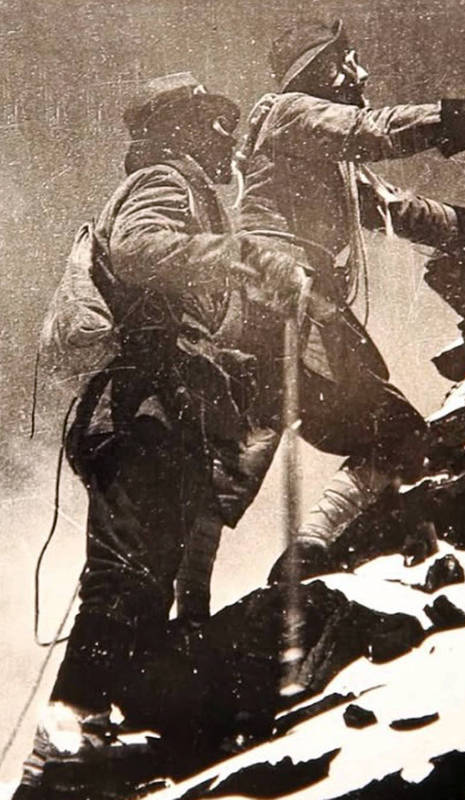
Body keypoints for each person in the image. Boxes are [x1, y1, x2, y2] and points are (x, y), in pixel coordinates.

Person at [16, 73, 291, 794]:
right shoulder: (165, 181)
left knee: (148, 577)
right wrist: (243, 257)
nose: (224, 135)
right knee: (128, 575)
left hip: (168, 414)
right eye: (210, 121)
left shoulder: (193, 193)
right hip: (143, 407)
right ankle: (67, 747)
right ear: (179, 127)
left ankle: (125, 729)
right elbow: (140, 251)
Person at [235, 19, 465, 580]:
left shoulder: (316, 152)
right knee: (396, 430)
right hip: (287, 302)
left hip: (284, 307)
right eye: (348, 60)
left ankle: (307, 556)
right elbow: (376, 130)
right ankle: (311, 553)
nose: (360, 72)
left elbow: (395, 208)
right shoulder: (289, 113)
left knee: (369, 434)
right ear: (319, 71)